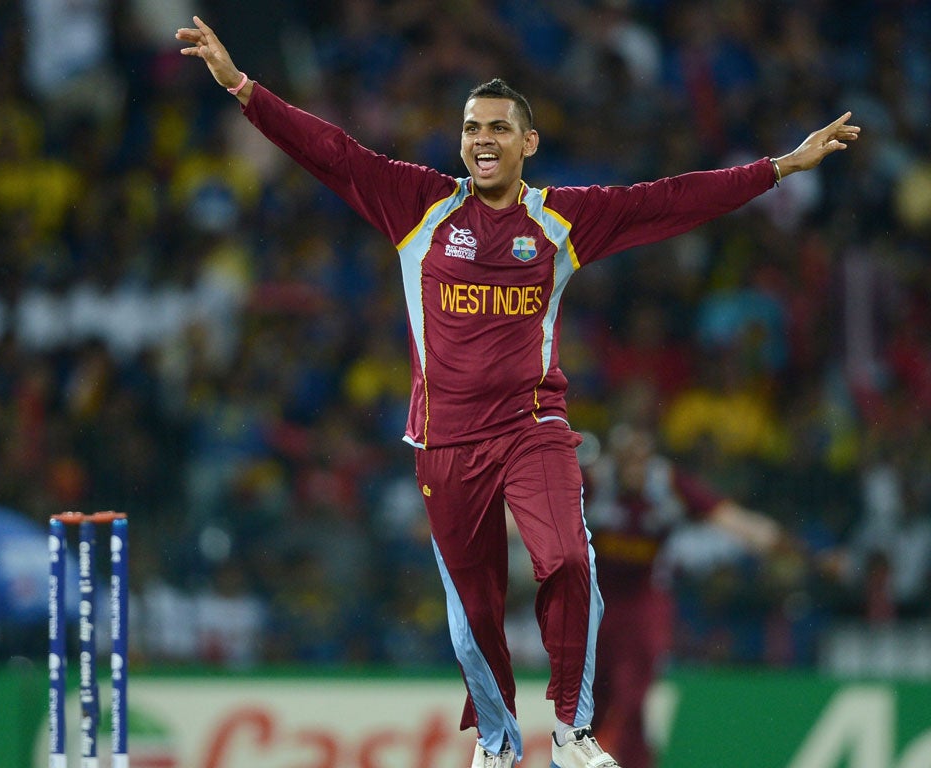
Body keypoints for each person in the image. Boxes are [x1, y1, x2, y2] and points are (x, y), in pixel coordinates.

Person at [175, 16, 860, 768]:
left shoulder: (561, 219)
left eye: (500, 127)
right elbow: (332, 153)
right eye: (472, 127)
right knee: (475, 612)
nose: (483, 139)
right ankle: (499, 745)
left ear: (528, 142)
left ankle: (570, 728)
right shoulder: (419, 207)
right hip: (442, 439)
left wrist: (779, 168)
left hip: (534, 424)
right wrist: (242, 87)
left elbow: (668, 200)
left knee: (567, 559)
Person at [581, 423, 800, 768]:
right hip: (595, 603)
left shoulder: (667, 483)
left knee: (633, 694)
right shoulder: (594, 483)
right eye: (629, 462)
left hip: (644, 601)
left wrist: (774, 539)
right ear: (615, 461)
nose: (636, 470)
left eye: (642, 460)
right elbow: (536, 517)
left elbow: (726, 516)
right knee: (591, 698)